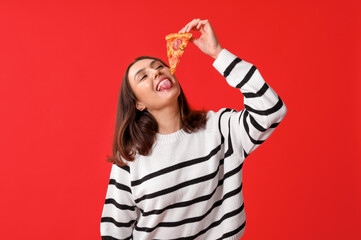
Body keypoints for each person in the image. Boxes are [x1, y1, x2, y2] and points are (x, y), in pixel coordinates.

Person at [100, 19, 287, 240]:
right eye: (143, 76)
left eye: (159, 66)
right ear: (138, 104)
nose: (157, 72)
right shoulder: (130, 159)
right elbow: (114, 233)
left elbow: (270, 110)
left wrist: (218, 54)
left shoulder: (219, 129)